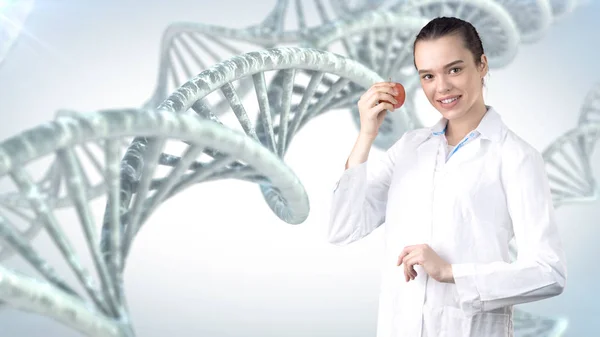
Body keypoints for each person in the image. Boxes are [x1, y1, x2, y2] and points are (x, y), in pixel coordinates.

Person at [328, 16, 567, 337]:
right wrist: (366, 135)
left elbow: (548, 273)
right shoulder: (409, 148)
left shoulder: (516, 157)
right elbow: (343, 228)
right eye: (428, 75)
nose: (441, 87)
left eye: (454, 69)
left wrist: (451, 272)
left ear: (481, 65)